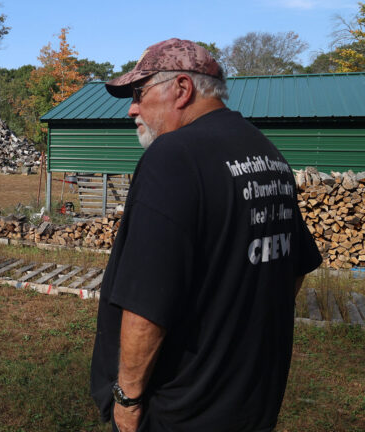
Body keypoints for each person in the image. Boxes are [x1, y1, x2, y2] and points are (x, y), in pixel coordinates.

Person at [90, 38, 322, 432]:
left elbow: (146, 303)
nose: (132, 108)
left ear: (181, 89)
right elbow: (293, 268)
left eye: (139, 93)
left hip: (179, 408)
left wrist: (127, 400)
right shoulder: (267, 153)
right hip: (250, 399)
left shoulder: (171, 156)